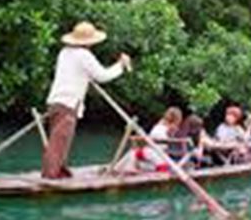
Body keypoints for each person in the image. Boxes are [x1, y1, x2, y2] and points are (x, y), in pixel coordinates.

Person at [42, 21, 132, 179]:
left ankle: (60, 171)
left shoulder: (64, 52)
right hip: (68, 104)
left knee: (60, 140)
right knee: (59, 142)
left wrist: (86, 75)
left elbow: (76, 72)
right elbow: (103, 76)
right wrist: (120, 66)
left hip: (55, 102)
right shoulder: (84, 55)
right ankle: (50, 177)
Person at [113, 107, 183, 173]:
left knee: (133, 153)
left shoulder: (159, 124)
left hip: (150, 152)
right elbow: (168, 142)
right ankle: (125, 168)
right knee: (164, 163)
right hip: (155, 155)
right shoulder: (169, 128)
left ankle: (118, 168)